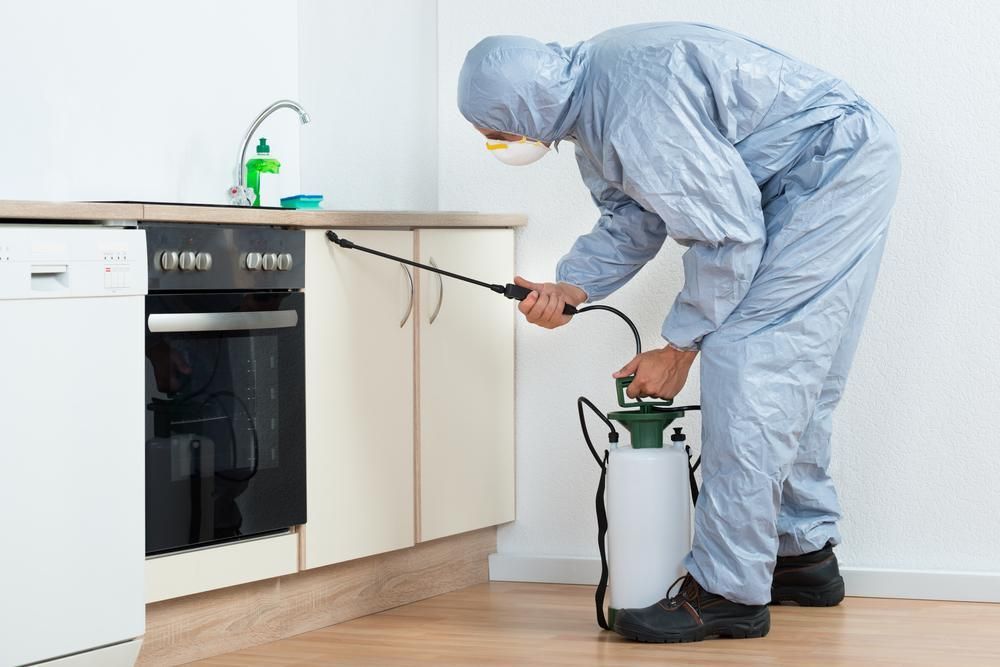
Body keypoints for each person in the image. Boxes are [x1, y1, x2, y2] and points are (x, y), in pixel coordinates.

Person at [458, 23, 900, 643]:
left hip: (829, 169)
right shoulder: (594, 101)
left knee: (750, 361)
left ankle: (730, 591)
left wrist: (679, 347)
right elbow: (636, 214)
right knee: (787, 369)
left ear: (522, 107)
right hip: (821, 166)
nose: (502, 146)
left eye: (497, 134)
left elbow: (727, 232)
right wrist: (571, 287)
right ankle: (800, 556)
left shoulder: (633, 107)